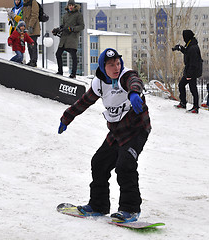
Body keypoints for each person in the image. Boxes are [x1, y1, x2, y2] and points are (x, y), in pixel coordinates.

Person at [58, 48, 151, 223]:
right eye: (111, 65)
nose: (116, 67)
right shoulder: (100, 83)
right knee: (99, 162)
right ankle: (98, 205)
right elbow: (84, 101)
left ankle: (130, 209)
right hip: (117, 131)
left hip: (137, 129)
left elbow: (134, 81)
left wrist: (133, 93)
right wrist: (67, 117)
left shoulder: (125, 76)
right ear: (103, 67)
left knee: (125, 165)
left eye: (117, 63)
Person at [172, 29, 203, 113]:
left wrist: (189, 75)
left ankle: (196, 107)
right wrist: (180, 48)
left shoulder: (193, 47)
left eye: (184, 36)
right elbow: (186, 52)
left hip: (192, 71)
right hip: (189, 71)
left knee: (193, 89)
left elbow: (193, 62)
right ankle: (183, 103)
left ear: (187, 37)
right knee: (181, 85)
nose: (183, 38)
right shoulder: (190, 44)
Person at [53, 0, 84, 78]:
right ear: (68, 6)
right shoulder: (65, 15)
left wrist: (72, 29)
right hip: (64, 38)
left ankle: (73, 74)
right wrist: (57, 29)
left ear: (74, 6)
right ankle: (60, 71)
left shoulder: (78, 15)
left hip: (72, 38)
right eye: (69, 5)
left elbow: (82, 26)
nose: (71, 7)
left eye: (72, 5)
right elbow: (63, 25)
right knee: (58, 54)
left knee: (73, 56)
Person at [22, 0, 41, 67]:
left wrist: (31, 26)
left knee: (33, 45)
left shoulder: (33, 2)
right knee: (29, 46)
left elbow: (35, 15)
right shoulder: (25, 4)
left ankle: (34, 61)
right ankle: (31, 60)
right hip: (27, 29)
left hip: (33, 28)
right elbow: (24, 17)